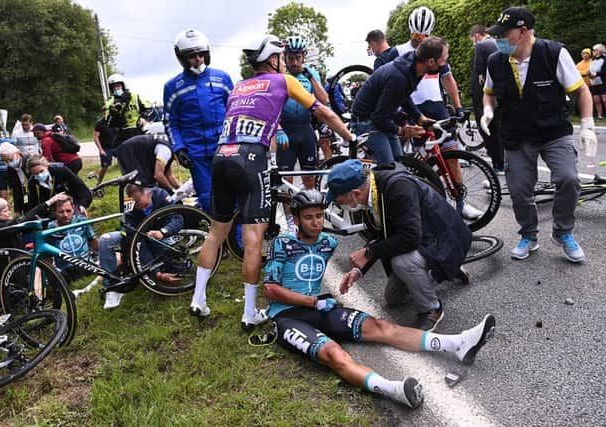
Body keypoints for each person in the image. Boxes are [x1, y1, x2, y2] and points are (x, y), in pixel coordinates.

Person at [264, 189, 495, 408]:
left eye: (319, 216)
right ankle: (393, 390)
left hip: (320, 308)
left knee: (381, 327)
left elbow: (374, 242)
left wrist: (357, 270)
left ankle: (457, 344)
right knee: (333, 354)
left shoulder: (328, 243)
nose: (316, 223)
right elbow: (271, 289)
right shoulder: (282, 244)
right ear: (295, 218)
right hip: (287, 316)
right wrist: (313, 302)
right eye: (308, 218)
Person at [187, 35, 354, 331]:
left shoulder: (239, 86)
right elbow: (323, 111)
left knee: (215, 234)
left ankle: (198, 299)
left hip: (221, 155)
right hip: (251, 159)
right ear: (274, 60)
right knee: (253, 240)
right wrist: (350, 138)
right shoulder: (285, 81)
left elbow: (250, 115)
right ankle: (249, 312)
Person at [481, 6, 596, 263]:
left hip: (553, 131)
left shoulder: (554, 53)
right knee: (519, 189)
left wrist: (587, 124)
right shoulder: (495, 61)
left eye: (503, 34)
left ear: (523, 32)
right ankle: (529, 235)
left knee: (568, 179)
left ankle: (563, 232)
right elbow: (488, 93)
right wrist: (487, 111)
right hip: (516, 134)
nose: (498, 40)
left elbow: (581, 91)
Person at [326, 159, 472, 331]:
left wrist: (369, 252)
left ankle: (432, 309)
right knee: (393, 298)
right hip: (424, 238)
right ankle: (445, 270)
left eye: (339, 199)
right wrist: (359, 270)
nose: (338, 203)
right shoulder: (372, 192)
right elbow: (383, 235)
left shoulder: (398, 188)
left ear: (355, 193)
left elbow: (409, 238)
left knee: (403, 263)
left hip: (445, 239)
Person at [385, 7, 481, 219]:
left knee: (452, 153)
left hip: (436, 105)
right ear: (410, 31)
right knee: (423, 162)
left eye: (424, 36)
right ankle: (428, 205)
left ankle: (460, 201)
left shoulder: (437, 49)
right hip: (411, 108)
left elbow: (448, 80)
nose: (420, 40)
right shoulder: (397, 52)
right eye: (416, 36)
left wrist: (457, 107)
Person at [164, 28, 234, 214]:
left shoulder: (222, 78)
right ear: (182, 58)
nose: (198, 59)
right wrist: (178, 148)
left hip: (224, 147)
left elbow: (235, 111)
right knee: (207, 198)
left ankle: (237, 242)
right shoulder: (172, 87)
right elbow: (171, 122)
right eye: (192, 56)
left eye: (202, 54)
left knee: (231, 194)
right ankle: (218, 241)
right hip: (196, 153)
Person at [350, 36, 445, 164]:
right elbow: (379, 118)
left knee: (400, 165)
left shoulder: (415, 67)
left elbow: (403, 96)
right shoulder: (398, 77)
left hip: (381, 118)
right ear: (431, 62)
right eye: (444, 59)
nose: (445, 63)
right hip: (366, 121)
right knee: (390, 169)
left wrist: (419, 117)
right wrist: (403, 131)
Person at [98, 184, 184, 309]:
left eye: (141, 203)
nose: (138, 206)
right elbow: (134, 240)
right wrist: (156, 272)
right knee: (105, 240)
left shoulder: (161, 194)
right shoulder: (130, 204)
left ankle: (152, 269)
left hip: (163, 236)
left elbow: (178, 219)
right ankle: (112, 288)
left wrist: (163, 232)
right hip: (141, 238)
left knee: (177, 266)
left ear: (149, 193)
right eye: (135, 203)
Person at [278, 36, 329, 191]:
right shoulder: (279, 75)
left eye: (298, 58)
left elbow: (324, 100)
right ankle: (288, 216)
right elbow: (271, 107)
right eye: (290, 58)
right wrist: (278, 129)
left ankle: (310, 211)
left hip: (305, 130)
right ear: (284, 57)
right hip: (286, 132)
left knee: (309, 177)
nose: (294, 62)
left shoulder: (311, 73)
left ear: (304, 57)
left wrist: (310, 76)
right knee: (286, 180)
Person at [470, 25, 504, 175]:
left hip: (484, 92)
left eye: (472, 40)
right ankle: (503, 161)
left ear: (477, 35)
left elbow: (478, 68)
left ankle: (496, 162)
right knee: (499, 125)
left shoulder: (482, 45)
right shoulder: (499, 43)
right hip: (501, 91)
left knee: (486, 125)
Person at [0, 192, 67, 250]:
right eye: (5, 211)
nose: (9, 213)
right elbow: (23, 220)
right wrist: (48, 202)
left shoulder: (0, 221)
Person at [47, 196, 98, 283]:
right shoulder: (50, 229)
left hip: (86, 264)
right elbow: (47, 255)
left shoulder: (81, 221)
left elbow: (94, 242)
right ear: (54, 212)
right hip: (65, 269)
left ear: (73, 209)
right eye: (61, 212)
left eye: (68, 211)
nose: (65, 215)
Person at [26, 156, 92, 217]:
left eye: (41, 171)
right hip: (50, 210)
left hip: (72, 204)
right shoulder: (32, 183)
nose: (40, 175)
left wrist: (82, 205)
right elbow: (33, 205)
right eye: (36, 174)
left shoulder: (61, 170)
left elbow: (82, 189)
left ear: (46, 166)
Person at [115, 134, 181, 192]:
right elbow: (158, 175)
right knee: (140, 184)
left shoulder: (169, 150)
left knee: (151, 187)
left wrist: (182, 190)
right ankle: (136, 203)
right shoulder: (166, 151)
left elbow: (169, 175)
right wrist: (172, 191)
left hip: (140, 154)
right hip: (129, 152)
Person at [102, 73, 153, 147]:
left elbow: (150, 108)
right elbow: (107, 122)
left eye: (118, 86)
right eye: (114, 87)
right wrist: (113, 114)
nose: (116, 89)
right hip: (123, 134)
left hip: (139, 130)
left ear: (123, 86)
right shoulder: (110, 102)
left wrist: (143, 118)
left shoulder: (135, 96)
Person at [0, 142, 31, 217]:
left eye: (10, 159)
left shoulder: (30, 162)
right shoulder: (10, 170)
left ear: (17, 153)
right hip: (24, 194)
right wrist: (17, 210)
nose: (8, 163)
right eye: (5, 161)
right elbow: (16, 191)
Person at [93, 118, 118, 184]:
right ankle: (99, 183)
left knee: (125, 161)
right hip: (105, 148)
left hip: (116, 146)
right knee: (105, 167)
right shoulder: (100, 123)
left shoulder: (116, 120)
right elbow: (96, 137)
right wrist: (101, 150)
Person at [589, 44, 606, 120]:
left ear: (599, 51)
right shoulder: (593, 60)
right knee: (596, 100)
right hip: (594, 82)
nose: (593, 52)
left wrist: (596, 74)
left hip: (603, 82)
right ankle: (600, 116)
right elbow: (591, 70)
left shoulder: (604, 59)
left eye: (594, 50)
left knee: (604, 99)